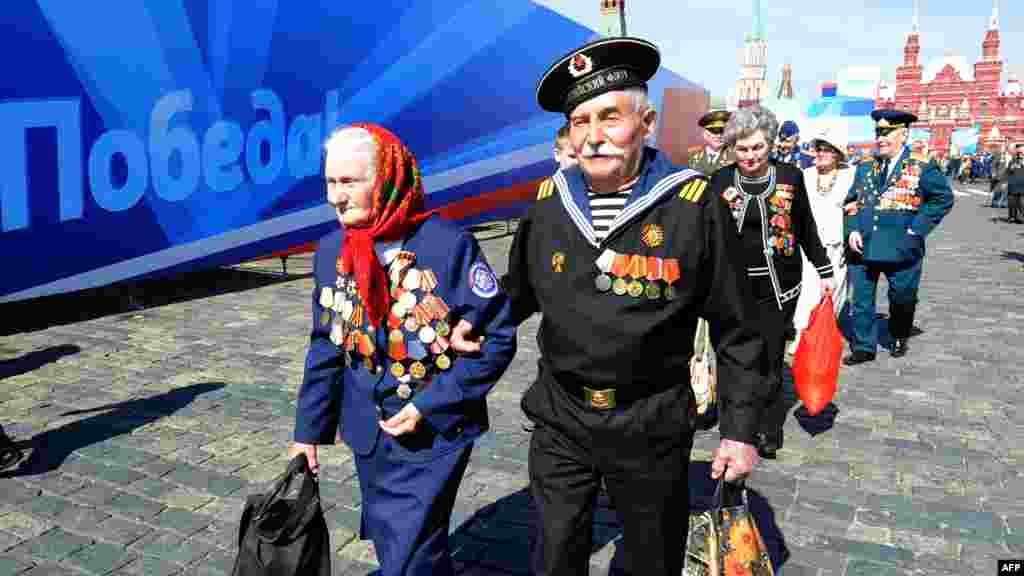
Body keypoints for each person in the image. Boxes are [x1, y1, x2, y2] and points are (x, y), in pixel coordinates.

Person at [451, 37, 764, 576]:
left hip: (650, 420)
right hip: (562, 416)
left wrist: (738, 430)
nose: (593, 136)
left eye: (610, 117)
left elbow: (739, 326)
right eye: (579, 122)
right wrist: (473, 321)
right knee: (553, 555)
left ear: (645, 122)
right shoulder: (552, 200)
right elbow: (519, 290)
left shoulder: (691, 204)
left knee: (651, 559)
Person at [288, 123, 517, 576]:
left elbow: (497, 338)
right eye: (330, 183)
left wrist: (430, 404)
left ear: (387, 179)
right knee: (397, 541)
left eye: (350, 182)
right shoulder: (332, 249)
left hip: (434, 432)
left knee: (411, 554)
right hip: (366, 431)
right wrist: (307, 432)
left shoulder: (447, 245)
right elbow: (326, 346)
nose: (336, 196)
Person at [709, 105, 834, 459]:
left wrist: (824, 270)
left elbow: (806, 228)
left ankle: (768, 427)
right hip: (731, 290)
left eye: (757, 147)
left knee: (768, 361)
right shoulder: (719, 182)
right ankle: (735, 428)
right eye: (742, 149)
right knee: (733, 360)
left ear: (771, 144)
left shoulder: (791, 177)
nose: (749, 156)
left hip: (779, 289)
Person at [842, 110, 954, 365]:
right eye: (878, 133)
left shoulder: (921, 164)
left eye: (887, 133)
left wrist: (917, 229)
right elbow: (851, 201)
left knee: (902, 296)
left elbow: (942, 198)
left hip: (902, 246)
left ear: (903, 134)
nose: (881, 138)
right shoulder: (866, 166)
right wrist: (852, 229)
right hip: (864, 245)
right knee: (861, 300)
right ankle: (864, 347)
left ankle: (899, 333)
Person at [791, 123, 853, 353]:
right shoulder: (805, 175)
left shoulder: (850, 175)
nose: (821, 153)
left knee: (833, 292)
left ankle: (824, 333)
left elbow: (859, 203)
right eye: (818, 148)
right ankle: (801, 334)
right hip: (810, 246)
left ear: (837, 154)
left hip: (837, 246)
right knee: (807, 291)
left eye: (827, 149)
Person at [687, 109, 734, 176]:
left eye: (722, 132)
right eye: (714, 131)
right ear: (705, 134)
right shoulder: (693, 154)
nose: (719, 136)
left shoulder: (734, 155)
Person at [1002, 143, 1024, 223]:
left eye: (1021, 151)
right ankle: (1012, 216)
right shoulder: (1012, 160)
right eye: (1018, 151)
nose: (1020, 152)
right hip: (1013, 184)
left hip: (1022, 185)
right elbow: (1007, 172)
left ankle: (1021, 217)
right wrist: (1004, 182)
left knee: (1022, 203)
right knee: (1012, 202)